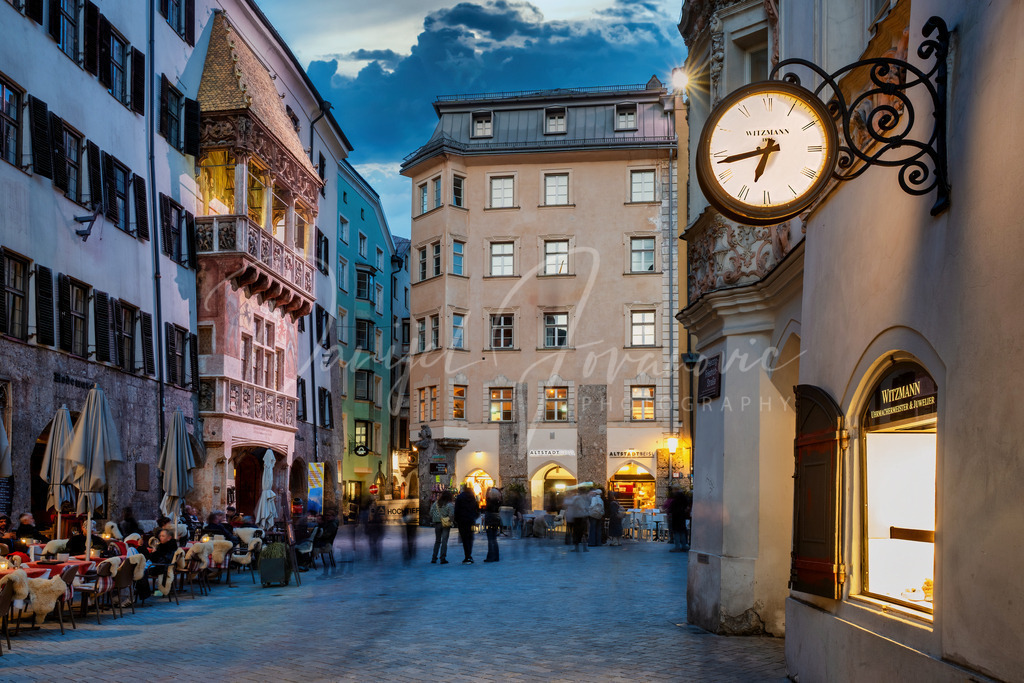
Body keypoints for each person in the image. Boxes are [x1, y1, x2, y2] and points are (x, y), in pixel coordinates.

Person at [453, 484, 479, 564]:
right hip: (471, 520)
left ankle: (467, 556)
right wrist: (474, 516)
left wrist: (456, 519)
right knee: (470, 538)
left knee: (464, 538)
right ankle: (469, 555)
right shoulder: (473, 498)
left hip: (462, 520)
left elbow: (456, 509)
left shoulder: (460, 497)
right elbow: (476, 509)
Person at [430, 490, 454, 564]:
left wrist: (436, 518)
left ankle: (434, 558)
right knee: (444, 541)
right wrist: (451, 521)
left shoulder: (435, 503)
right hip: (445, 524)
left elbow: (431, 512)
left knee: (437, 541)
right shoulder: (449, 504)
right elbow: (452, 514)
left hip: (437, 523)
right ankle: (442, 558)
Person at [669, 487, 693, 552]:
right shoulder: (684, 497)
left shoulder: (676, 498)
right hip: (682, 516)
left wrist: (671, 511)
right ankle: (684, 545)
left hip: (677, 517)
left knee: (676, 532)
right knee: (682, 531)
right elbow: (686, 505)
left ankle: (677, 546)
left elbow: (673, 507)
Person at [483, 487, 502, 563]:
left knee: (490, 539)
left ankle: (490, 557)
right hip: (496, 520)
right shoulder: (499, 501)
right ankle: (496, 556)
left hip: (490, 520)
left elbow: (486, 497)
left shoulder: (489, 501)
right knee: (494, 539)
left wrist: (487, 490)